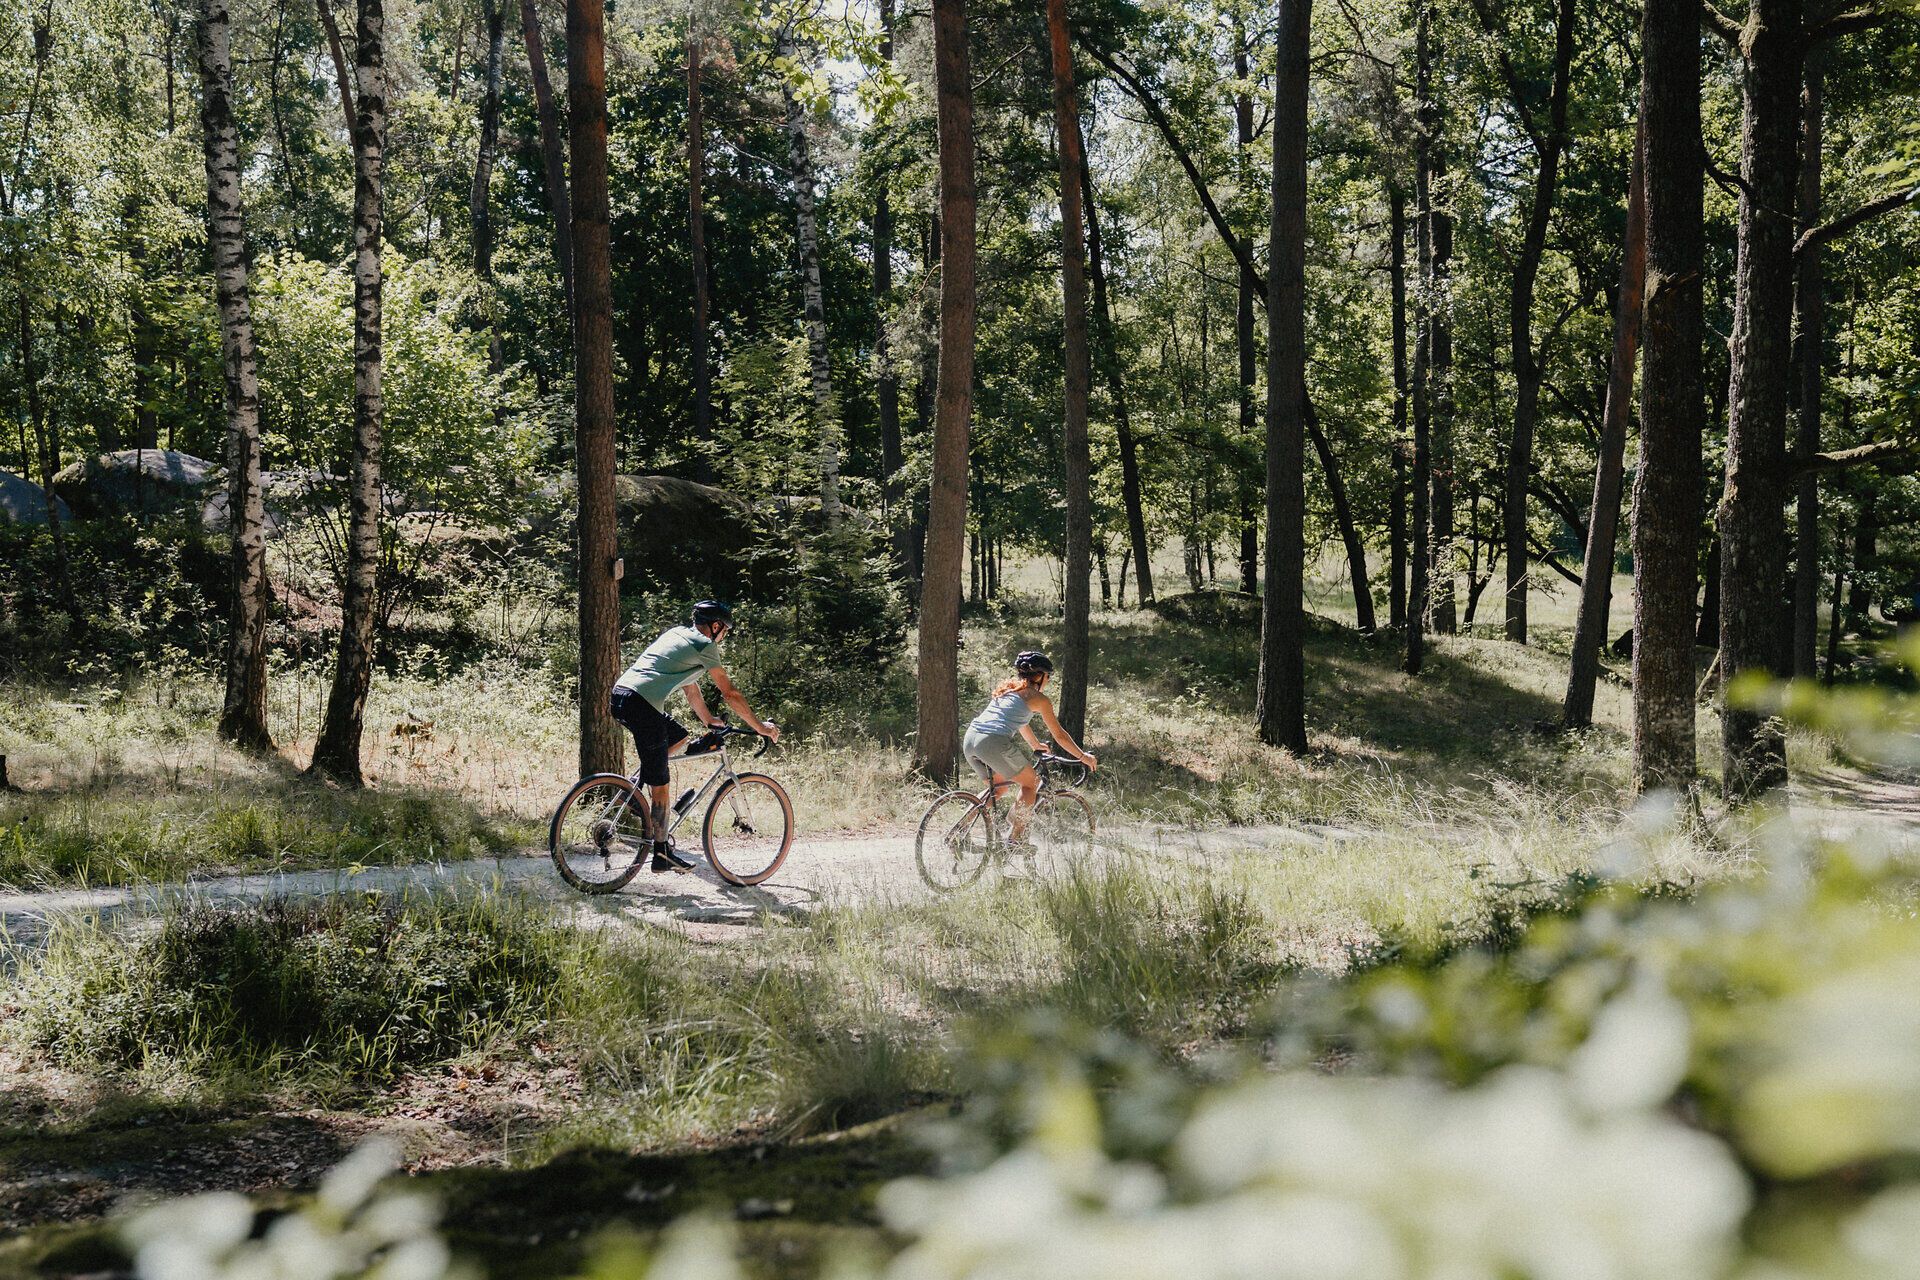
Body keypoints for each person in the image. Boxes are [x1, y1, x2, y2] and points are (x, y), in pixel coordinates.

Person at [610, 600, 780, 872]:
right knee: (661, 783)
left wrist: (710, 720)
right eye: (724, 630)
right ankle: (662, 852)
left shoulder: (678, 635)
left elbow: (691, 690)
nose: (724, 636)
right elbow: (730, 693)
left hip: (621, 696)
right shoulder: (705, 645)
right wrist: (760, 726)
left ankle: (632, 787)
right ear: (715, 626)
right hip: (643, 704)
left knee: (678, 737)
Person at [962, 650, 1097, 847]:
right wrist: (1083, 756)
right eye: (1048, 677)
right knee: (1031, 783)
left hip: (971, 739)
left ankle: (959, 831)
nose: (1048, 681)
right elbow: (1059, 735)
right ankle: (1015, 840)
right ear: (1041, 676)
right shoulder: (1039, 699)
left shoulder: (1008, 690)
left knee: (997, 789)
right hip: (993, 742)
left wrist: (1035, 745)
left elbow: (1020, 723)